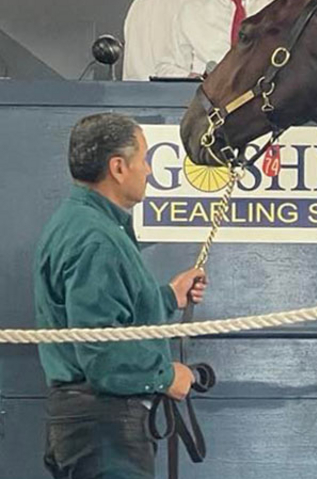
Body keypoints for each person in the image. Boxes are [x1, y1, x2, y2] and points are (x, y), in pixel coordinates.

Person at [34, 112, 208, 478]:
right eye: (143, 159)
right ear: (118, 167)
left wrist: (167, 298)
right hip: (105, 431)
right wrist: (165, 377)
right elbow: (101, 353)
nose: (147, 169)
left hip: (89, 429)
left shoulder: (79, 223)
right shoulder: (97, 239)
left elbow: (106, 316)